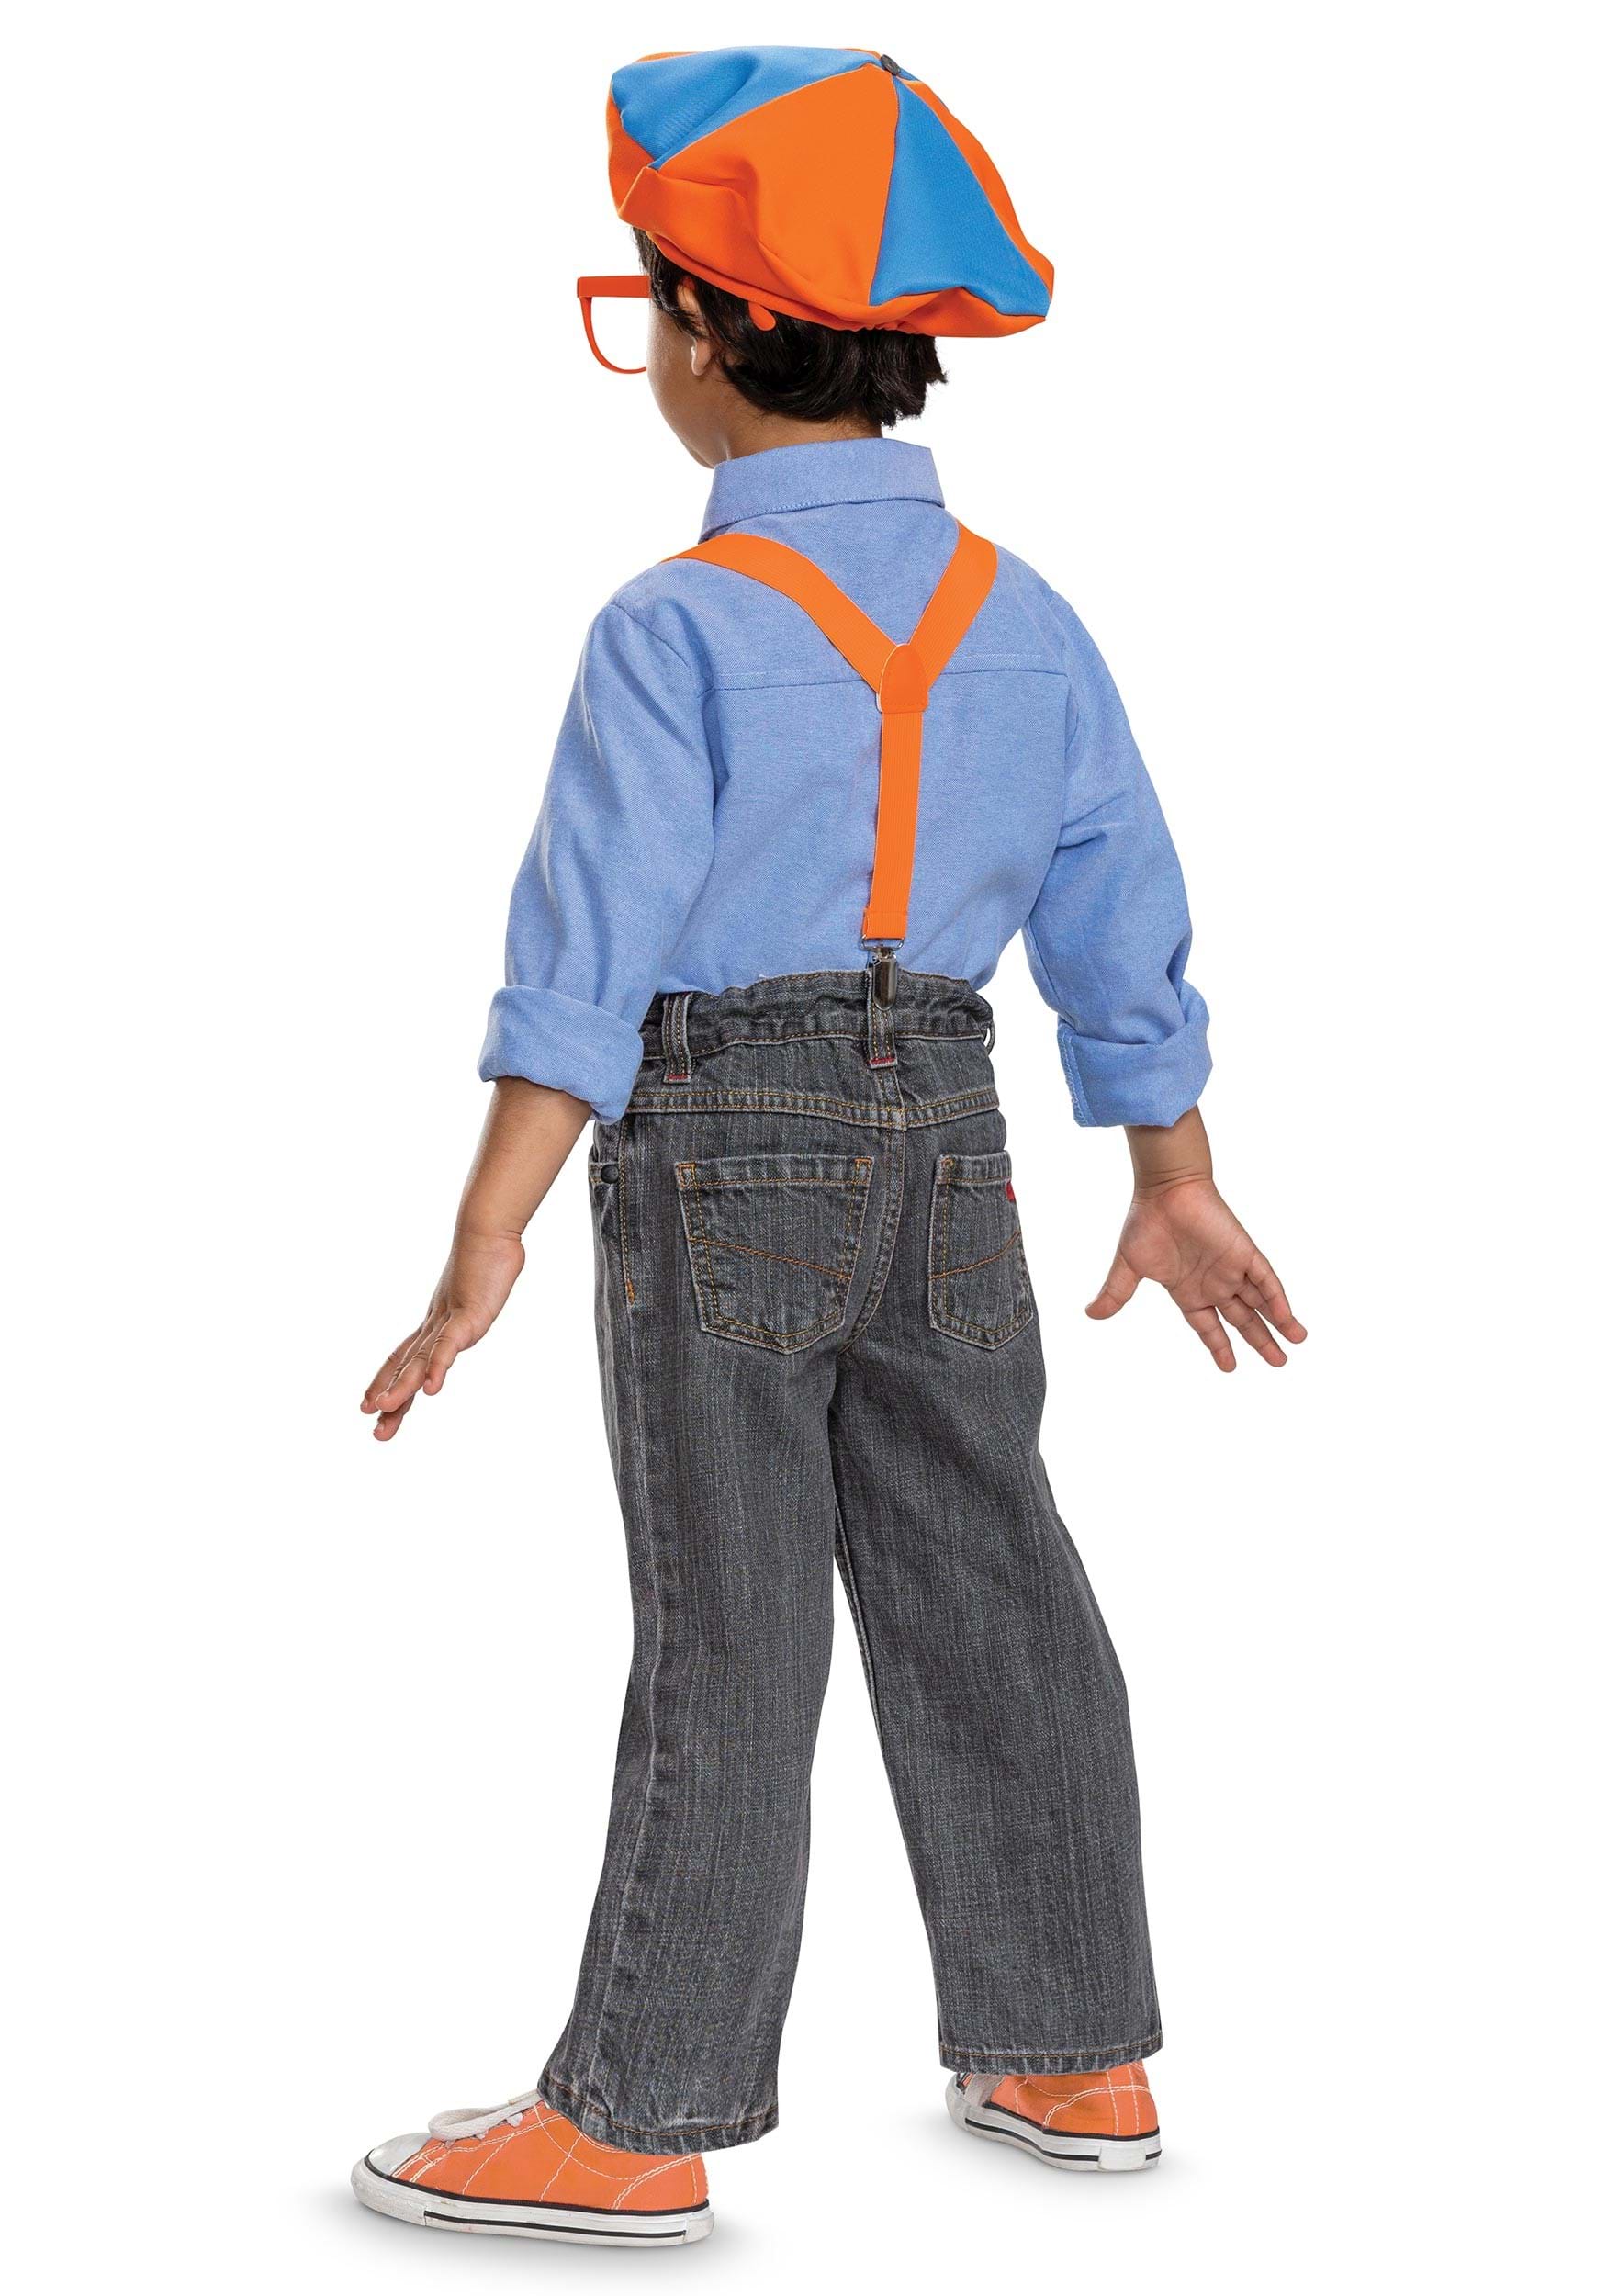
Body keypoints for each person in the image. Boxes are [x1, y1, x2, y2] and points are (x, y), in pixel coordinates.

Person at [352, 45, 1305, 2249]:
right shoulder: (1021, 616)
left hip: (723, 1133)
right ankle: (1069, 2041)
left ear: (708, 330)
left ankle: (638, 2109)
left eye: (644, 306)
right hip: (952, 1126)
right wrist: (1168, 1167)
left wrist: (485, 1232)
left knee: (733, 1613)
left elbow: (582, 953)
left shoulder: (673, 624)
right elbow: (1118, 907)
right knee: (989, 1562)